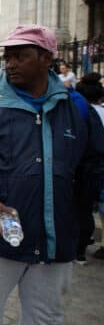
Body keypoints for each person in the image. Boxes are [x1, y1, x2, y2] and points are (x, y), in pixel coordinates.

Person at [0, 24, 104, 325]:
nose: (10, 63)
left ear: (47, 59)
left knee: (45, 320)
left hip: (55, 243)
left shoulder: (77, 109)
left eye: (21, 56)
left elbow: (95, 163)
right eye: (8, 56)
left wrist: (74, 212)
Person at [74, 72, 104, 263]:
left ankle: (79, 250)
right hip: (97, 169)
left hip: (86, 168)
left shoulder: (79, 112)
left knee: (81, 210)